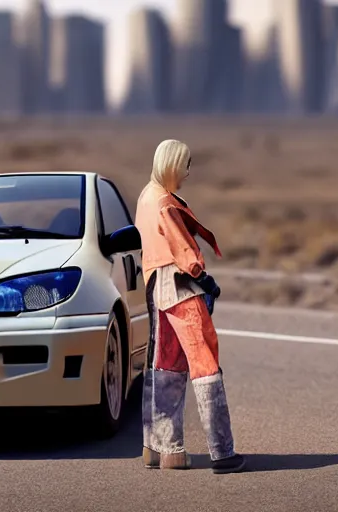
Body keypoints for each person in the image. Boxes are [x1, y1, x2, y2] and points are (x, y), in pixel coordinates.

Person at [135, 139, 246, 474]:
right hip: (181, 286)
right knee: (205, 363)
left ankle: (161, 449)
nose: (187, 173)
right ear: (171, 164)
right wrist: (205, 280)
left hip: (155, 287)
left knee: (163, 364)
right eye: (185, 165)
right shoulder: (165, 204)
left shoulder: (145, 196)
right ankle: (222, 453)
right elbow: (184, 253)